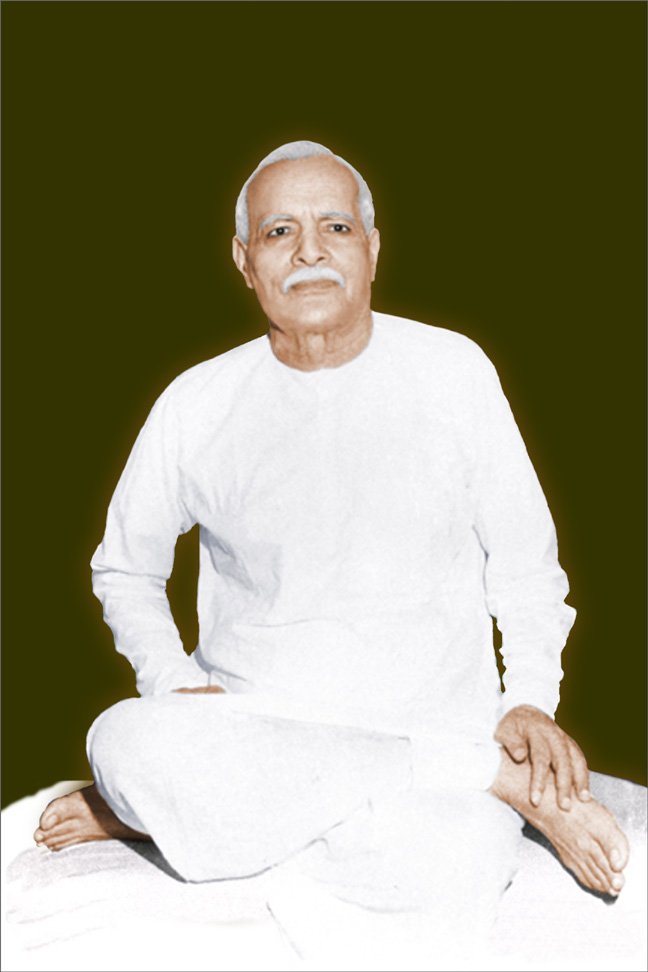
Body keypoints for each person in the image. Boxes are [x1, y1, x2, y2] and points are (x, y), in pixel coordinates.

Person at [34, 140, 629, 959]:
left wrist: (528, 700)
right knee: (123, 739)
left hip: (429, 719)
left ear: (372, 249)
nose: (309, 250)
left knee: (449, 869)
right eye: (279, 231)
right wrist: (172, 683)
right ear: (244, 261)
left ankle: (181, 819)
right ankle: (489, 778)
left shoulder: (454, 372)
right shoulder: (196, 401)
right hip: (257, 731)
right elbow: (125, 569)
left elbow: (528, 572)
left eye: (336, 227)